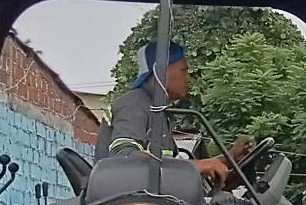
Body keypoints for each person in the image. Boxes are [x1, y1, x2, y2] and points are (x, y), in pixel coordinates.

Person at [95, 39, 233, 183]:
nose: (189, 79)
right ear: (161, 71)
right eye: (184, 70)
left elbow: (174, 167)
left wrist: (230, 158)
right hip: (127, 195)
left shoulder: (156, 111)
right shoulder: (134, 104)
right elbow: (124, 157)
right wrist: (199, 165)